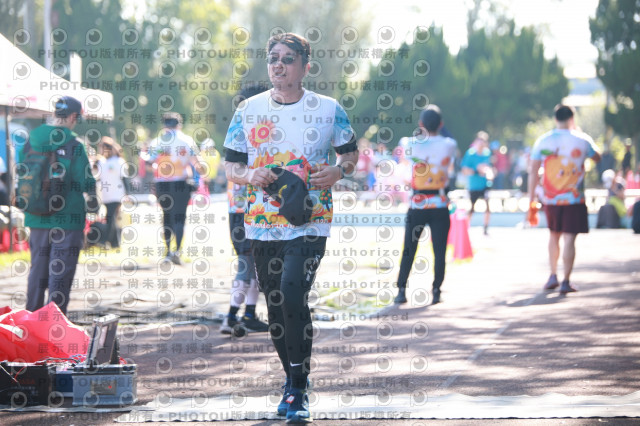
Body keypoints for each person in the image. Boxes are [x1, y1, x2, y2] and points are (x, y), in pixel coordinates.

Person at [223, 32, 358, 424]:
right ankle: (293, 378)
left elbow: (350, 153)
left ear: (305, 66)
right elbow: (231, 165)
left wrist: (339, 171)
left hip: (310, 220)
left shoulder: (328, 109)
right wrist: (249, 174)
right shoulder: (248, 110)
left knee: (293, 291)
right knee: (276, 303)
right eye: (273, 58)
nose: (278, 65)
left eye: (287, 59)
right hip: (262, 223)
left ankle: (298, 387)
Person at [21, 96, 97, 315]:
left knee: (38, 270)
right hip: (68, 218)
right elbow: (85, 181)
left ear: (55, 113)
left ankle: (32, 318)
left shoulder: (32, 139)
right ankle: (53, 322)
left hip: (36, 215)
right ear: (73, 117)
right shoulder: (75, 145)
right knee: (60, 273)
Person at [528, 104, 601, 294]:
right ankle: (566, 281)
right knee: (569, 239)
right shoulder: (582, 140)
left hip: (550, 199)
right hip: (574, 199)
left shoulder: (543, 141)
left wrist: (531, 200)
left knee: (553, 235)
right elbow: (598, 157)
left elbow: (533, 171)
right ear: (572, 118)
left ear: (555, 118)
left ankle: (553, 275)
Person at [394, 105, 457, 306]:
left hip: (417, 204)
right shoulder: (449, 144)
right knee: (439, 250)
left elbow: (403, 166)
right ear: (441, 124)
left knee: (409, 248)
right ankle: (437, 290)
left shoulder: (408, 143)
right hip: (440, 204)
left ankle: (401, 291)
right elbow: (450, 163)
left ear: (421, 124)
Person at [221, 83, 271, 336]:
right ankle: (231, 317)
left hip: (247, 210)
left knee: (253, 266)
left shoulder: (246, 129)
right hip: (246, 212)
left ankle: (249, 314)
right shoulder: (248, 131)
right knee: (246, 264)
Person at [148, 112, 204, 265]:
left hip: (162, 183)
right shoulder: (187, 140)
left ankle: (167, 252)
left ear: (164, 125)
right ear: (179, 125)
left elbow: (149, 162)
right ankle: (177, 251)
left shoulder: (157, 141)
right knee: (179, 217)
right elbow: (197, 163)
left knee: (166, 216)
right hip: (181, 183)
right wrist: (199, 179)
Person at [95, 137, 130, 249]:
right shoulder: (102, 162)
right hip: (106, 195)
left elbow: (124, 178)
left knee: (110, 217)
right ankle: (115, 243)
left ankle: (105, 241)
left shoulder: (118, 161)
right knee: (112, 217)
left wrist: (127, 194)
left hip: (117, 194)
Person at [461, 131, 494, 235]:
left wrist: (489, 173)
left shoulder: (487, 153)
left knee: (487, 207)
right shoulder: (470, 154)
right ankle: (466, 228)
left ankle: (486, 228)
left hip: (484, 184)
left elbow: (489, 167)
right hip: (474, 185)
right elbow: (464, 169)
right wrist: (476, 171)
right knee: (472, 208)